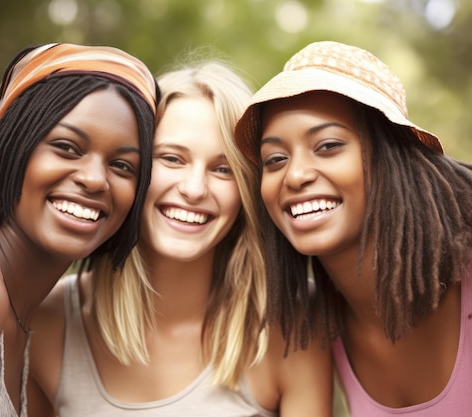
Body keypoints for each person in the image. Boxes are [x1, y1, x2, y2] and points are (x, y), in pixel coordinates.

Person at [234, 40, 472, 416]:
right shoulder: (320, 321)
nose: (294, 175)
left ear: (392, 158)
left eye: (327, 146)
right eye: (275, 159)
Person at [27, 60, 332, 417]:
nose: (193, 189)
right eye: (172, 159)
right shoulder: (47, 319)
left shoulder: (292, 323)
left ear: (248, 191)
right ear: (131, 167)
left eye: (223, 169)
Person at [0, 42, 158, 417]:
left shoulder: (31, 324)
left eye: (123, 166)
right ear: (12, 144)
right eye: (66, 147)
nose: (94, 179)